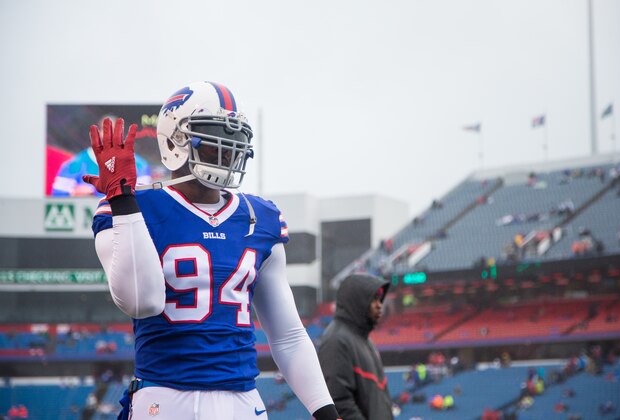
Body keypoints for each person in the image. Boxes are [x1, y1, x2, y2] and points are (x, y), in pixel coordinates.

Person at [85, 81, 340, 420]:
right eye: (212, 136)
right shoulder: (133, 206)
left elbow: (288, 335)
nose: (228, 148)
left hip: (242, 401)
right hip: (163, 399)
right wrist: (123, 201)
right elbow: (140, 301)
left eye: (234, 139)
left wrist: (325, 411)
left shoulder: (258, 216)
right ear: (175, 140)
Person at [317, 274, 393, 420]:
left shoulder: (365, 341)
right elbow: (339, 402)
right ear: (358, 301)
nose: (379, 305)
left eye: (380, 299)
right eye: (374, 299)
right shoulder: (336, 340)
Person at [52, 115, 152, 196]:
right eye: (107, 131)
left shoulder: (140, 165)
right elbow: (56, 195)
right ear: (98, 133)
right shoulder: (74, 164)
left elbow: (146, 195)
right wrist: (73, 192)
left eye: (116, 131)